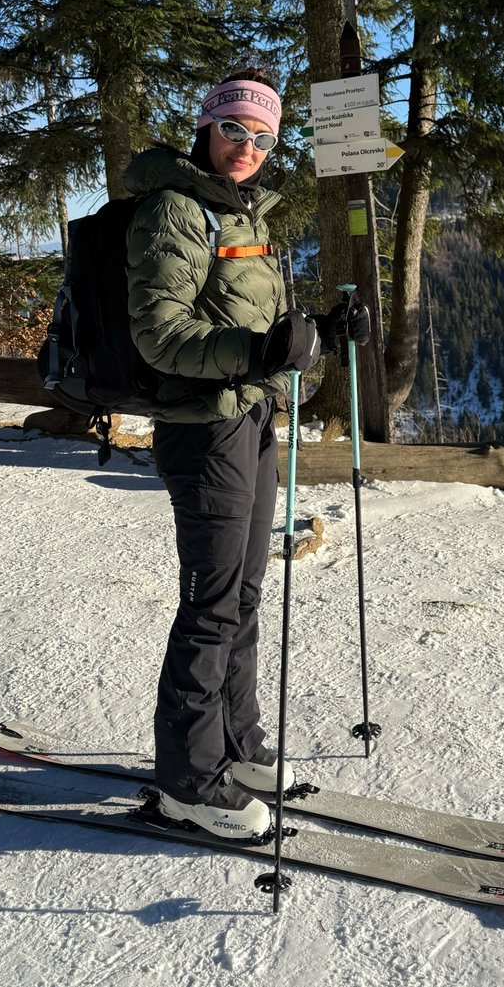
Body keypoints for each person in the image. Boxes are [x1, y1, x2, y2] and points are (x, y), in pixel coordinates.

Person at [124, 69, 368, 839]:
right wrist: (261, 348)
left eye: (263, 137)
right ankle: (189, 782)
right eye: (235, 130)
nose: (248, 147)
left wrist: (321, 334)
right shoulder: (175, 208)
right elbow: (160, 332)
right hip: (204, 431)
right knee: (211, 603)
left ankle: (237, 744)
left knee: (246, 593)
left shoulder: (244, 212)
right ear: (207, 126)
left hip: (252, 422)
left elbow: (267, 336)